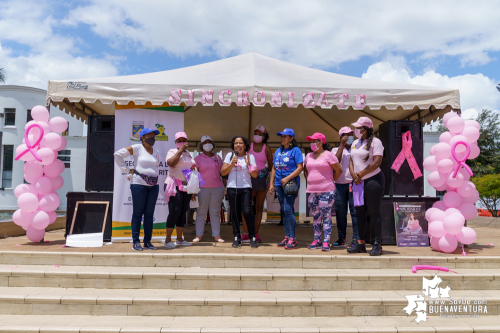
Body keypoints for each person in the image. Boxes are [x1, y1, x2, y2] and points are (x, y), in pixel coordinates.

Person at [113, 127, 160, 251]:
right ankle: (135, 242)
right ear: (143, 138)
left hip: (154, 186)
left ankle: (147, 242)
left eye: (153, 136)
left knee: (149, 214)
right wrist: (127, 170)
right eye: (149, 136)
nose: (152, 138)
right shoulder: (137, 148)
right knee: (138, 213)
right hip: (138, 185)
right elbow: (118, 154)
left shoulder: (156, 151)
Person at [347, 117, 385, 256]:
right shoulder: (355, 142)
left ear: (367, 129)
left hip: (373, 180)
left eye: (359, 127)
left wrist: (361, 174)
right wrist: (353, 175)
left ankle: (377, 244)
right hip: (357, 181)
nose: (356, 130)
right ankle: (360, 243)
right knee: (359, 213)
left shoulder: (376, 142)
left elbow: (376, 162)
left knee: (374, 212)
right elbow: (351, 160)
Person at [304, 133, 342, 251]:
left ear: (321, 143)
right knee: (316, 216)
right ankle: (317, 240)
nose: (312, 143)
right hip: (311, 191)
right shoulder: (308, 156)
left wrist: (329, 181)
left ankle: (326, 241)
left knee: (326, 215)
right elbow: (306, 171)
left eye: (314, 141)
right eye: (311, 141)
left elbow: (338, 170)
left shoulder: (329, 155)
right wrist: (312, 182)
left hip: (326, 190)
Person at [221, 136, 259, 248]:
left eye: (240, 143)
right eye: (236, 143)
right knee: (235, 214)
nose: (238, 145)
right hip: (232, 188)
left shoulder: (250, 156)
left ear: (245, 145)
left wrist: (248, 164)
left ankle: (252, 236)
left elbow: (255, 174)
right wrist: (231, 164)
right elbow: (223, 172)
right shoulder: (230, 156)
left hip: (246, 188)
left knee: (247, 212)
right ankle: (237, 237)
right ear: (233, 145)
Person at [269, 128, 304, 250]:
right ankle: (287, 236)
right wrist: (272, 183)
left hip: (290, 184)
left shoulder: (296, 150)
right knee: (283, 209)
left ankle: (293, 239)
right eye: (281, 136)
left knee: (288, 209)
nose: (282, 138)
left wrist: (287, 178)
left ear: (291, 138)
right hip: (279, 184)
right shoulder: (278, 151)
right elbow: (274, 167)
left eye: (285, 136)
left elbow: (300, 168)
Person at [240, 125, 273, 243]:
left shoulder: (267, 148)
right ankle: (245, 233)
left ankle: (255, 233)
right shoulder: (249, 147)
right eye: (256, 133)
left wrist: (269, 179)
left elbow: (270, 166)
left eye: (260, 134)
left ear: (264, 136)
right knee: (247, 206)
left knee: (259, 207)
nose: (257, 136)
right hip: (249, 177)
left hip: (262, 179)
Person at [164, 132, 196, 249]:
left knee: (183, 212)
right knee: (175, 210)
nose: (182, 142)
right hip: (174, 184)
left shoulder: (189, 154)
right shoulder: (172, 151)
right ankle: (167, 240)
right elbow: (171, 164)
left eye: (184, 140)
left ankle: (179, 239)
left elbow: (191, 168)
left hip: (186, 185)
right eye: (179, 140)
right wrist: (180, 151)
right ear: (175, 142)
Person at [193, 135, 226, 243]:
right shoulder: (197, 158)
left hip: (217, 188)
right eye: (205, 142)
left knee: (215, 212)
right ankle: (198, 235)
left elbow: (223, 173)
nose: (208, 144)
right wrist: (193, 191)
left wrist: (225, 188)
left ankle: (217, 235)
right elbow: (194, 175)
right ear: (202, 145)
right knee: (201, 212)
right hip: (202, 188)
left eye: (209, 142)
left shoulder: (217, 157)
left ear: (212, 144)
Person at [331, 127, 359, 249]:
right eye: (345, 135)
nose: (348, 137)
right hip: (338, 184)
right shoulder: (335, 149)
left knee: (354, 212)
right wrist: (342, 145)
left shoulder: (357, 147)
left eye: (350, 134)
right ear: (340, 137)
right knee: (340, 213)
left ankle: (356, 238)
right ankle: (341, 238)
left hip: (353, 184)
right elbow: (335, 162)